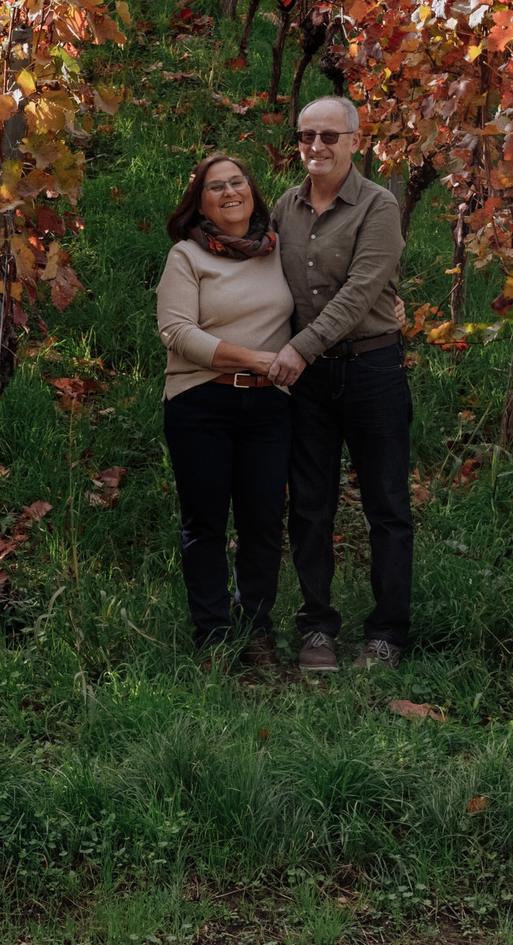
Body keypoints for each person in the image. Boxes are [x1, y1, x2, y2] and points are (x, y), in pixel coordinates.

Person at [272, 95, 411, 672]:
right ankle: (317, 629)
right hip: (309, 380)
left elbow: (358, 293)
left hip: (371, 370)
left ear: (356, 140)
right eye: (307, 136)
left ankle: (386, 633)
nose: (317, 147)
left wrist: (296, 350)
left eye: (330, 136)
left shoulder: (379, 207)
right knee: (309, 506)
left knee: (386, 505)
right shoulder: (285, 206)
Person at [155, 153, 295, 669]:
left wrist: (384, 306)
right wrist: (254, 358)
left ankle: (256, 628)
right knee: (205, 522)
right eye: (216, 187)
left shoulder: (280, 251)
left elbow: (325, 293)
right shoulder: (186, 257)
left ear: (253, 191)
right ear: (201, 204)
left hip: (269, 407)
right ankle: (213, 634)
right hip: (201, 402)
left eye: (238, 181)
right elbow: (177, 333)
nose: (230, 192)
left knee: (262, 520)